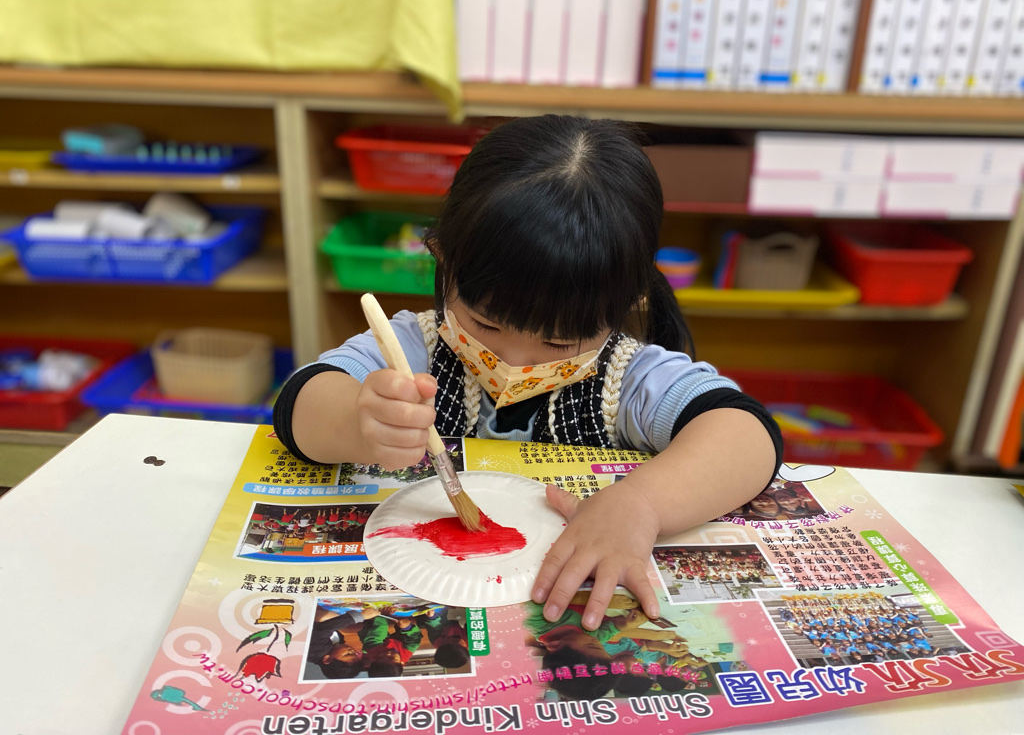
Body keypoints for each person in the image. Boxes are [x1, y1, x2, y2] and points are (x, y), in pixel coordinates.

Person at [273, 115, 782, 627]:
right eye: (485, 324)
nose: (514, 362)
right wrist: (357, 420)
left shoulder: (629, 379)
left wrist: (642, 504)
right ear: (443, 257)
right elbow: (301, 403)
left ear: (630, 301)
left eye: (558, 342)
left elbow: (747, 434)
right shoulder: (413, 347)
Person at [305, 605, 379, 679]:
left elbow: (324, 628)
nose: (352, 650)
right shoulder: (337, 645)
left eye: (348, 654)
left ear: (327, 659)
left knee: (329, 617)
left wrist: (361, 616)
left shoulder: (314, 652)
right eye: (355, 653)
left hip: (306, 617)